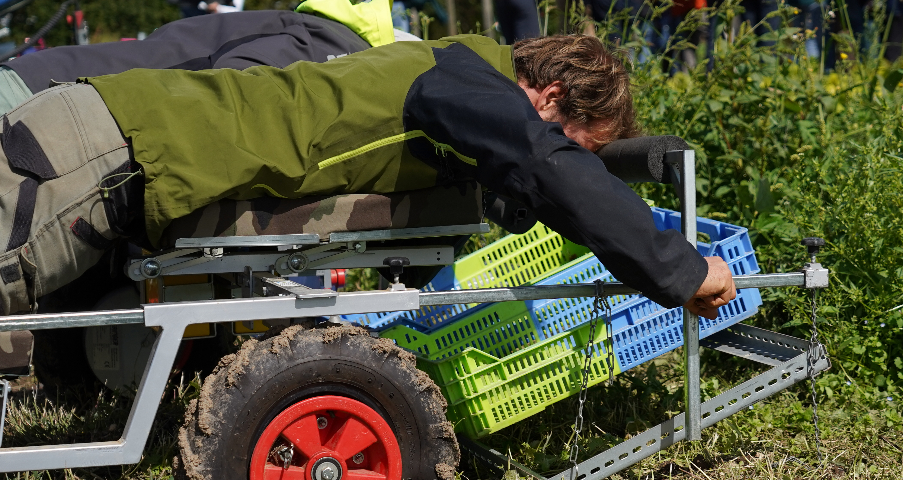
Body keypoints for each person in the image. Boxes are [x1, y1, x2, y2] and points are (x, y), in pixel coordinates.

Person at [0, 35, 738, 321]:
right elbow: (547, 168)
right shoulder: (468, 86)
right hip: (106, 151)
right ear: (548, 97)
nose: (567, 152)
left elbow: (531, 180)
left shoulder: (451, 69)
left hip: (116, 135)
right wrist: (681, 268)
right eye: (577, 140)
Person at [0, 0, 420, 115]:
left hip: (46, 85)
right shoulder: (337, 44)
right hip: (40, 97)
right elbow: (234, 81)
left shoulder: (318, 27)